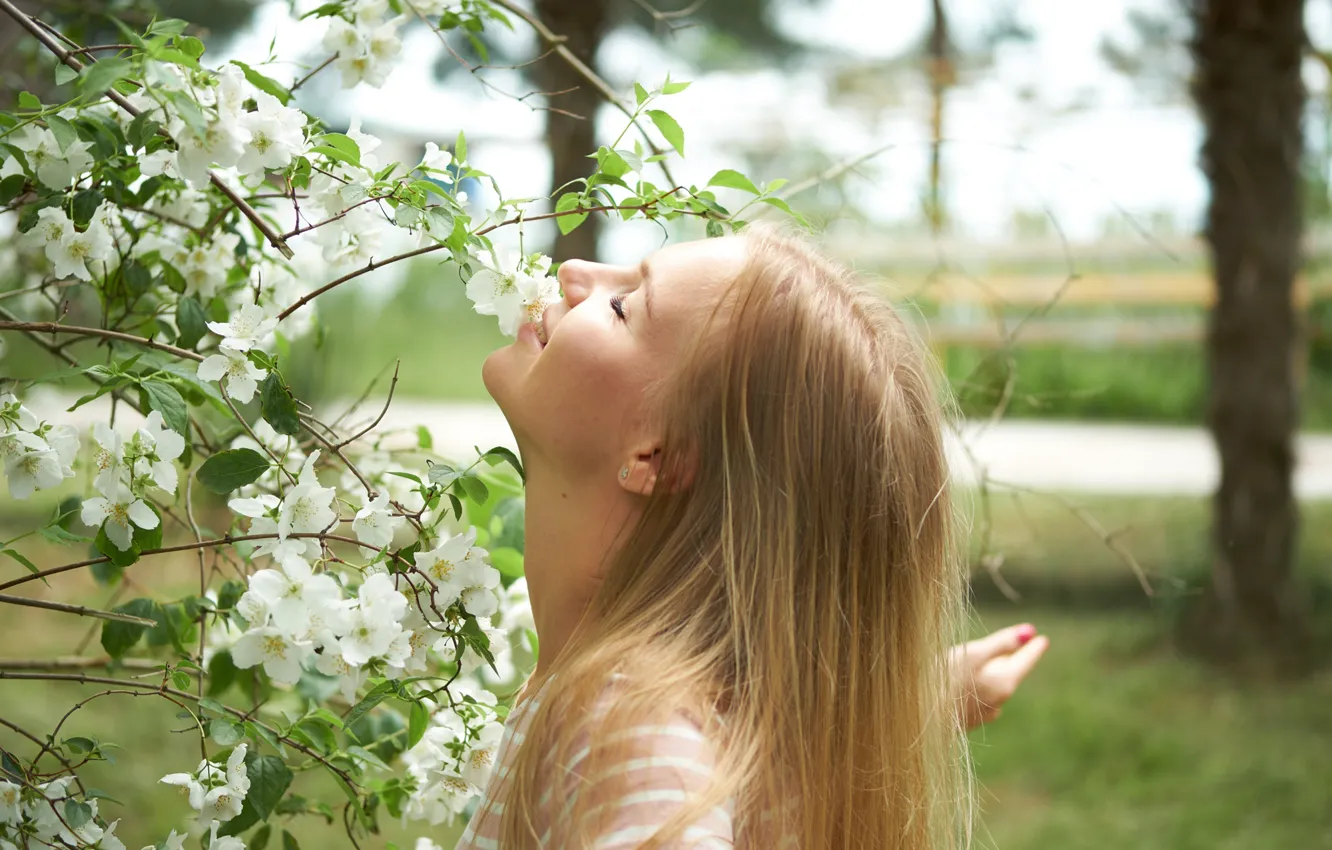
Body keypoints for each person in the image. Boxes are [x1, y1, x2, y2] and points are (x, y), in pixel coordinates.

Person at [455, 226, 1049, 849]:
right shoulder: (641, 710)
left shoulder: (628, 731)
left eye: (624, 307)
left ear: (658, 456)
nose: (574, 273)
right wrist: (894, 713)